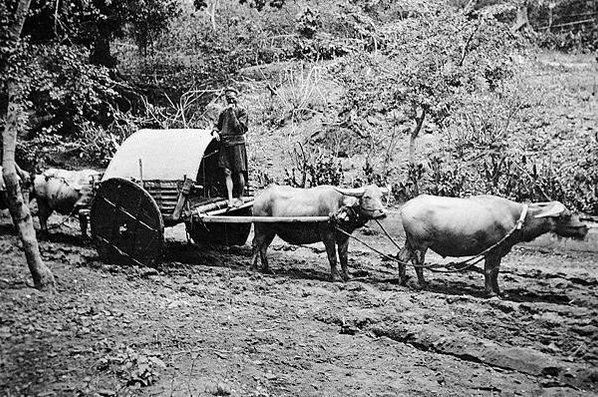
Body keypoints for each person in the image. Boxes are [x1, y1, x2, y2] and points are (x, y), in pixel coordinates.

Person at [211, 87, 249, 208]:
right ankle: (230, 199)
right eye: (228, 99)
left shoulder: (242, 111)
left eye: (232, 98)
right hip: (225, 144)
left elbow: (240, 129)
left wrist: (232, 113)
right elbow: (217, 125)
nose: (230, 101)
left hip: (237, 144)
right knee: (227, 172)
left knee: (239, 172)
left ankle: (241, 197)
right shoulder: (223, 112)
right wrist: (215, 132)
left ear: (237, 98)